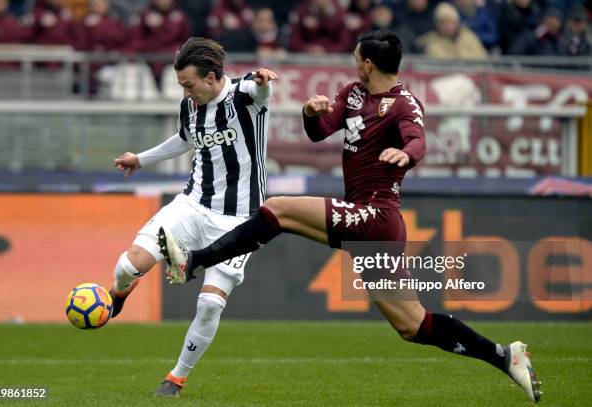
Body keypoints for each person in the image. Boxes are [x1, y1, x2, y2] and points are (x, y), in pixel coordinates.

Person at [160, 30, 542, 403]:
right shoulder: (355, 94)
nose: (354, 63)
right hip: (365, 218)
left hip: (375, 215)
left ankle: (194, 261)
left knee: (279, 209)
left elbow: (418, 140)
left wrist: (407, 155)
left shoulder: (406, 104)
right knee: (413, 325)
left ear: (368, 63)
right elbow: (320, 132)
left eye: (357, 58)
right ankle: (505, 357)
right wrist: (311, 113)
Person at [108, 36, 278, 398]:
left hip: (239, 220)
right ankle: (122, 291)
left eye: (189, 84)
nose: (186, 92)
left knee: (210, 303)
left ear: (214, 77)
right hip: (193, 205)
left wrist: (262, 80)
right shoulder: (190, 106)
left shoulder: (245, 97)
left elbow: (256, 88)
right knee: (127, 266)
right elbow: (184, 139)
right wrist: (140, 158)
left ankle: (176, 378)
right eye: (181, 86)